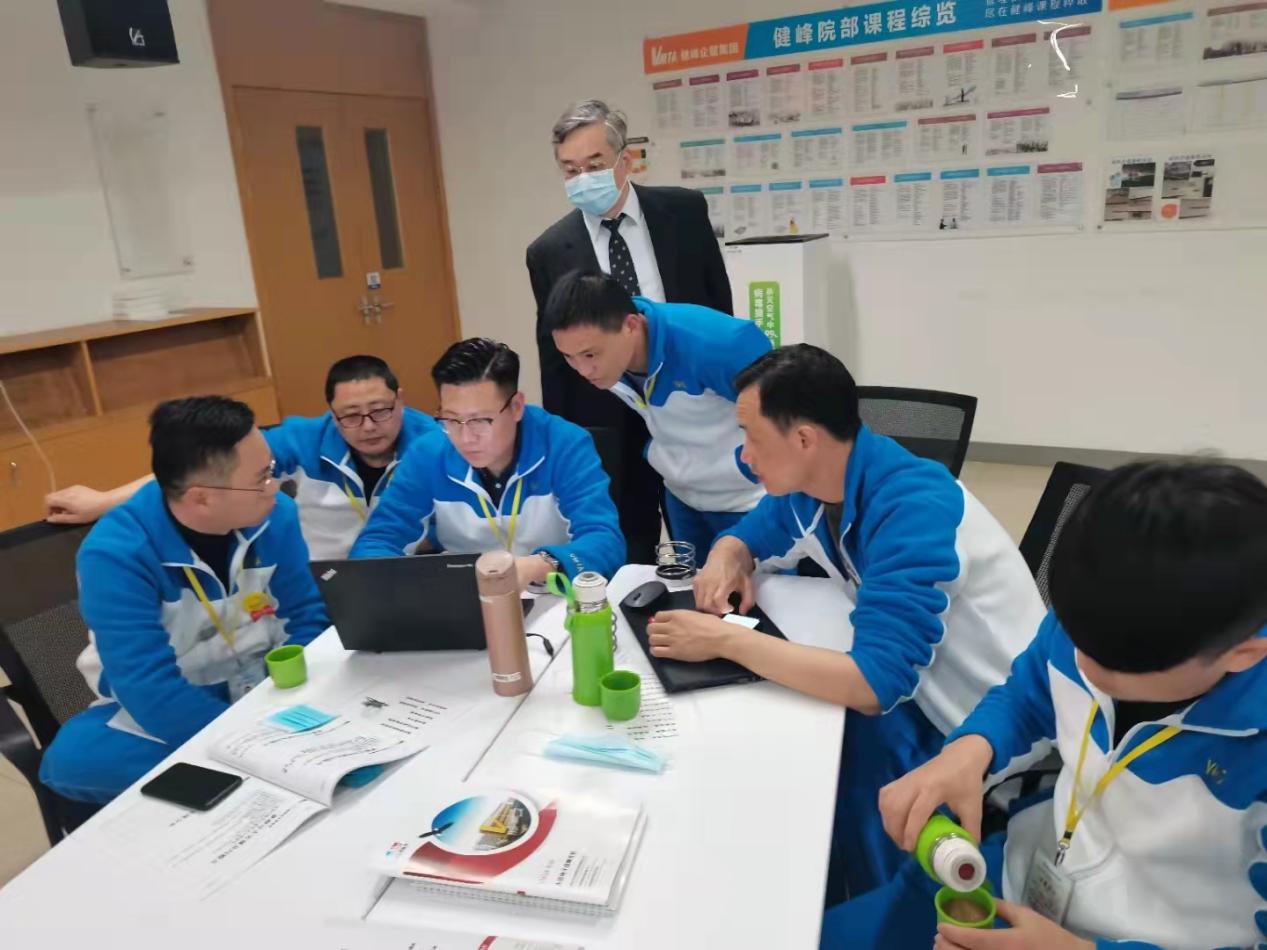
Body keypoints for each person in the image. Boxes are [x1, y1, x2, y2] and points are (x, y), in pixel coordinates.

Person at [643, 344, 1044, 898]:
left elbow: (873, 685)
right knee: (779, 748)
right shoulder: (820, 481)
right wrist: (726, 554)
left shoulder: (914, 509)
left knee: (799, 783)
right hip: (922, 693)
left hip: (978, 728)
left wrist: (724, 640)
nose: (744, 456)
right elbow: (757, 530)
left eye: (752, 438)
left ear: (804, 439)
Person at [822, 461, 1267, 949]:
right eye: (1074, 640)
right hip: (1020, 869)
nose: (1083, 666)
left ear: (1242, 654)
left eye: (1117, 667)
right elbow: (1030, 695)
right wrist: (971, 750)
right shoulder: (1096, 619)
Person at [39, 397, 329, 803]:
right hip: (176, 700)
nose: (275, 487)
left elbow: (308, 616)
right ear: (201, 498)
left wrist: (293, 692)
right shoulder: (116, 554)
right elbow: (148, 687)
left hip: (268, 683)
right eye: (262, 477)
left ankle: (247, 778)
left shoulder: (274, 515)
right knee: (72, 760)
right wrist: (250, 744)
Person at [527, 99, 733, 564]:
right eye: (570, 170)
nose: (583, 178)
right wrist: (566, 438)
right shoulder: (548, 251)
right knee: (628, 537)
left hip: (689, 400)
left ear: (625, 160)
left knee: (704, 533)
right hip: (610, 410)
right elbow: (553, 353)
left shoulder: (682, 211)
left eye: (594, 165)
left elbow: (717, 306)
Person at [43, 355, 437, 559]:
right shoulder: (305, 439)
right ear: (331, 414)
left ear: (400, 400)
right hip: (322, 581)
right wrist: (104, 501)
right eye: (350, 415)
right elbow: (201, 470)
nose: (368, 426)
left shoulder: (433, 444)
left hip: (407, 574)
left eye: (380, 411)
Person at [350, 338, 624, 587]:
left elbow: (604, 542)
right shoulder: (428, 455)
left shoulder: (564, 444)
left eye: (480, 420)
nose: (465, 438)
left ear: (516, 407)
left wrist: (538, 566)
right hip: (465, 601)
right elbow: (378, 540)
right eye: (451, 419)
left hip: (554, 597)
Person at [545, 270, 770, 558]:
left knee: (757, 586)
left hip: (750, 501)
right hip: (684, 500)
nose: (583, 370)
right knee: (694, 584)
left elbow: (783, 424)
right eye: (569, 357)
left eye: (590, 355)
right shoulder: (611, 357)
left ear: (630, 326)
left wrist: (750, 472)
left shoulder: (720, 344)